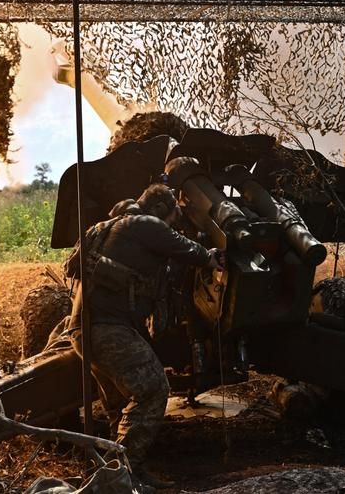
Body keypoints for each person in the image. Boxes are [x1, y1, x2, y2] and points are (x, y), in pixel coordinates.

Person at [64, 183, 220, 488]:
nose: (175, 221)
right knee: (152, 390)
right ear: (161, 208)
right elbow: (181, 246)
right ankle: (124, 473)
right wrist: (211, 257)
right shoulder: (145, 223)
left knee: (118, 407)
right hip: (108, 330)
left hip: (84, 331)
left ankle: (118, 474)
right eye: (174, 214)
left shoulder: (109, 227)